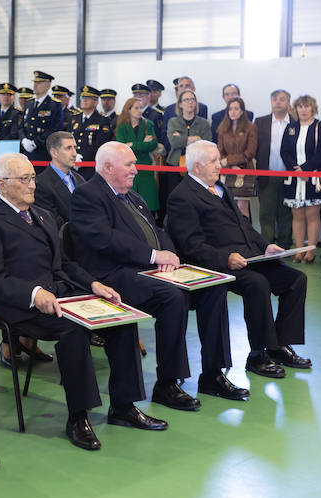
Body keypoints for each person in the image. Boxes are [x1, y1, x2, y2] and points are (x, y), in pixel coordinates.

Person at [0, 152, 167, 450]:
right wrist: (35, 295)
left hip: (59, 292)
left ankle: (123, 406)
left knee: (120, 319)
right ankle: (78, 416)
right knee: (73, 330)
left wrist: (94, 284)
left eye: (33, 178)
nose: (33, 185)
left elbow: (64, 265)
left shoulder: (43, 215)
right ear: (2, 184)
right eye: (25, 179)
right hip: (19, 304)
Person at [71, 141, 246, 411]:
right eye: (128, 164)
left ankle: (212, 373)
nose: (135, 170)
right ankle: (168, 382)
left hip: (147, 270)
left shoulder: (133, 196)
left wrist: (169, 256)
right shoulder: (88, 195)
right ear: (107, 167)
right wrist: (153, 257)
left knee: (214, 288)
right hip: (113, 275)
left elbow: (160, 230)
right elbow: (105, 240)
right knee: (172, 298)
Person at [166, 140, 311, 378]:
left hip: (249, 256)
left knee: (295, 279)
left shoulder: (219, 187)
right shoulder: (182, 196)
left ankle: (279, 346)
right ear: (196, 166)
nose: (219, 165)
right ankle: (257, 354)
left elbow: (243, 224)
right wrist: (226, 258)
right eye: (212, 161)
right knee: (258, 284)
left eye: (217, 159)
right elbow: (191, 245)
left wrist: (266, 246)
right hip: (218, 263)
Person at [280, 95, 321, 263]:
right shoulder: (291, 127)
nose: (303, 109)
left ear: (313, 108)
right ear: (296, 109)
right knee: (297, 215)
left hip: (313, 178)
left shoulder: (320, 126)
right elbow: (284, 151)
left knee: (312, 214)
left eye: (306, 106)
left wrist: (306, 169)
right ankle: (298, 251)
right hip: (293, 178)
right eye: (300, 106)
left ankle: (310, 251)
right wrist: (295, 169)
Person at [255, 89, 294, 245]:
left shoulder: (295, 122)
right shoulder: (260, 121)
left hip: (289, 176)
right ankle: (267, 245)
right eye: (275, 99)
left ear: (288, 103)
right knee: (266, 213)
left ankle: (285, 245)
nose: (278, 102)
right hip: (267, 174)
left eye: (282, 99)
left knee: (286, 213)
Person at [162, 89, 212, 207]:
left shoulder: (203, 123)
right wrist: (193, 139)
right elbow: (174, 142)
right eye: (186, 100)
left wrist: (182, 139)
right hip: (175, 164)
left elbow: (207, 144)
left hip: (197, 166)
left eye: (192, 99)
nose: (190, 102)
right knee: (175, 198)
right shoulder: (173, 122)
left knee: (196, 199)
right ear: (180, 104)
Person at [115, 97, 159, 213]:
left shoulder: (148, 124)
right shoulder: (122, 126)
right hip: (127, 168)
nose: (140, 110)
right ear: (128, 110)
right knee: (128, 204)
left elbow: (153, 144)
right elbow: (121, 146)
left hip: (145, 170)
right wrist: (142, 144)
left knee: (149, 204)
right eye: (136, 108)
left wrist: (132, 145)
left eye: (140, 108)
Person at [216, 97, 258, 218]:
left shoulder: (250, 127)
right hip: (226, 171)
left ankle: (244, 235)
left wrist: (229, 161)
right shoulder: (223, 128)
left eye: (236, 109)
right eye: (230, 109)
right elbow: (220, 151)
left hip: (244, 171)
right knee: (226, 207)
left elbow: (250, 153)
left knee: (242, 208)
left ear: (242, 111)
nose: (233, 112)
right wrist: (231, 165)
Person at [34, 131, 85, 224]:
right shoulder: (41, 184)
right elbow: (52, 222)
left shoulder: (80, 179)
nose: (74, 154)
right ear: (54, 153)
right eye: (68, 148)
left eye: (75, 148)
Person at [20, 70, 64, 164]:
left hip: (44, 153)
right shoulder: (29, 103)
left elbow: (55, 129)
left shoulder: (54, 105)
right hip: (27, 153)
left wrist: (36, 143)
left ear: (47, 85)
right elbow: (22, 126)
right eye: (35, 82)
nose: (35, 85)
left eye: (39, 82)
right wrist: (24, 140)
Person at [70, 85, 112, 179]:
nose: (84, 100)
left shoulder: (102, 120)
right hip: (73, 164)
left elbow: (101, 144)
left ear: (96, 102)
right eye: (83, 97)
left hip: (90, 167)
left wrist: (82, 156)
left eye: (88, 98)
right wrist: (73, 155)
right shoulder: (74, 118)